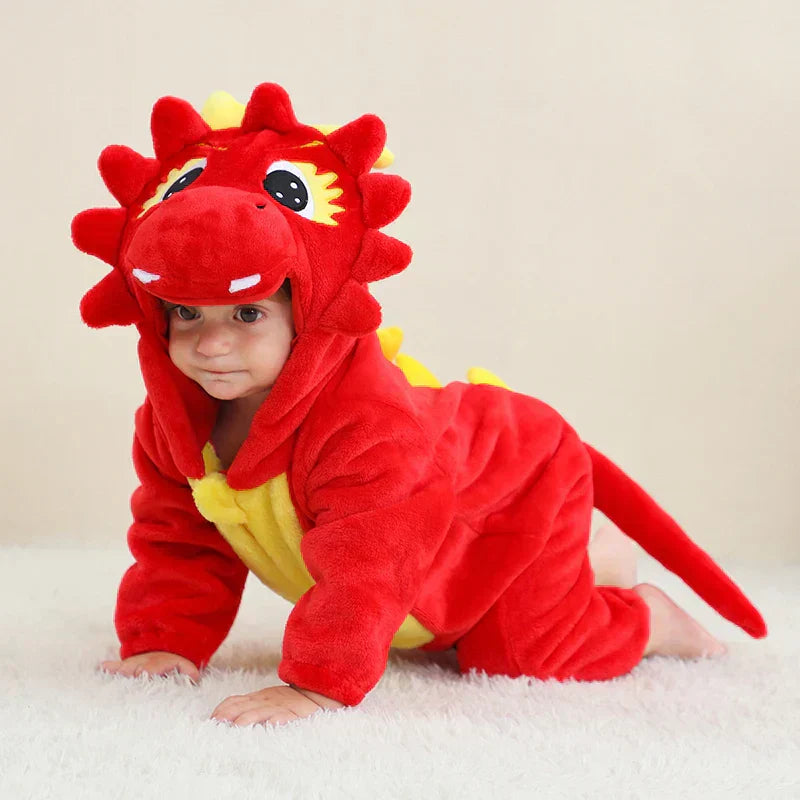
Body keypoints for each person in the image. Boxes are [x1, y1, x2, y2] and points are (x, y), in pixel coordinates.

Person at [74, 82, 766, 728]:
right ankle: (589, 555)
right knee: (444, 621)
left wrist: (315, 681)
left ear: (305, 314)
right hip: (435, 509)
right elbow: (178, 540)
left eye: (248, 313)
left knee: (522, 652)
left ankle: (641, 612)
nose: (211, 345)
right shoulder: (172, 424)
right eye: (186, 314)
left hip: (517, 474)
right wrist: (164, 643)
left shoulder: (363, 427)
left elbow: (368, 564)